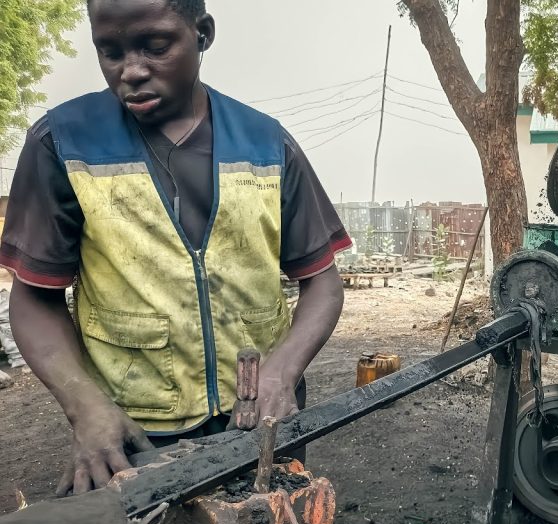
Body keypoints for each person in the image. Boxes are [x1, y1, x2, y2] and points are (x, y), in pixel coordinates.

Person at [0, 0, 351, 497]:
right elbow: (35, 298)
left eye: (155, 45)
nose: (132, 71)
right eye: (111, 51)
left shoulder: (267, 144)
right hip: (136, 431)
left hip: (262, 417)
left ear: (203, 33)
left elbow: (323, 282)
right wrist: (86, 408)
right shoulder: (61, 143)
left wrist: (283, 371)